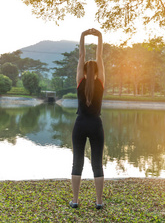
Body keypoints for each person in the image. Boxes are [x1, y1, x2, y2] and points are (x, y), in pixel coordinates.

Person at [70, 28, 105, 210]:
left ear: (83, 70)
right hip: (96, 125)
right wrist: (99, 36)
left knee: (78, 163)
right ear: (98, 71)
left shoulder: (79, 81)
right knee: (97, 164)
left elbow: (82, 54)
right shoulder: (101, 82)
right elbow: (99, 56)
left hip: (80, 124)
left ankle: (75, 201)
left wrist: (83, 35)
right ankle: (99, 202)